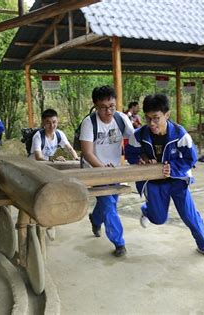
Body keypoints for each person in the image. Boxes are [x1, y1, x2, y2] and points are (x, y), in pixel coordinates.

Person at [125, 94, 204, 259]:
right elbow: (131, 155)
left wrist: (172, 168)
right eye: (148, 119)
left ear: (167, 115)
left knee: (188, 215)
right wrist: (142, 159)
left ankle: (203, 244)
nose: (152, 123)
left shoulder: (179, 133)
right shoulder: (138, 135)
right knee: (159, 219)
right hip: (153, 182)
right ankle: (147, 211)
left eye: (156, 118)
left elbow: (191, 158)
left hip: (177, 180)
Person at [79, 86, 134, 257]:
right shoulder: (89, 123)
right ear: (95, 106)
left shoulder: (121, 118)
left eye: (112, 106)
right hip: (95, 171)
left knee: (109, 203)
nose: (109, 111)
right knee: (109, 205)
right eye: (103, 107)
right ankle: (119, 242)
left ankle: (95, 219)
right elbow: (87, 153)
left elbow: (134, 140)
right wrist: (103, 170)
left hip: (114, 170)